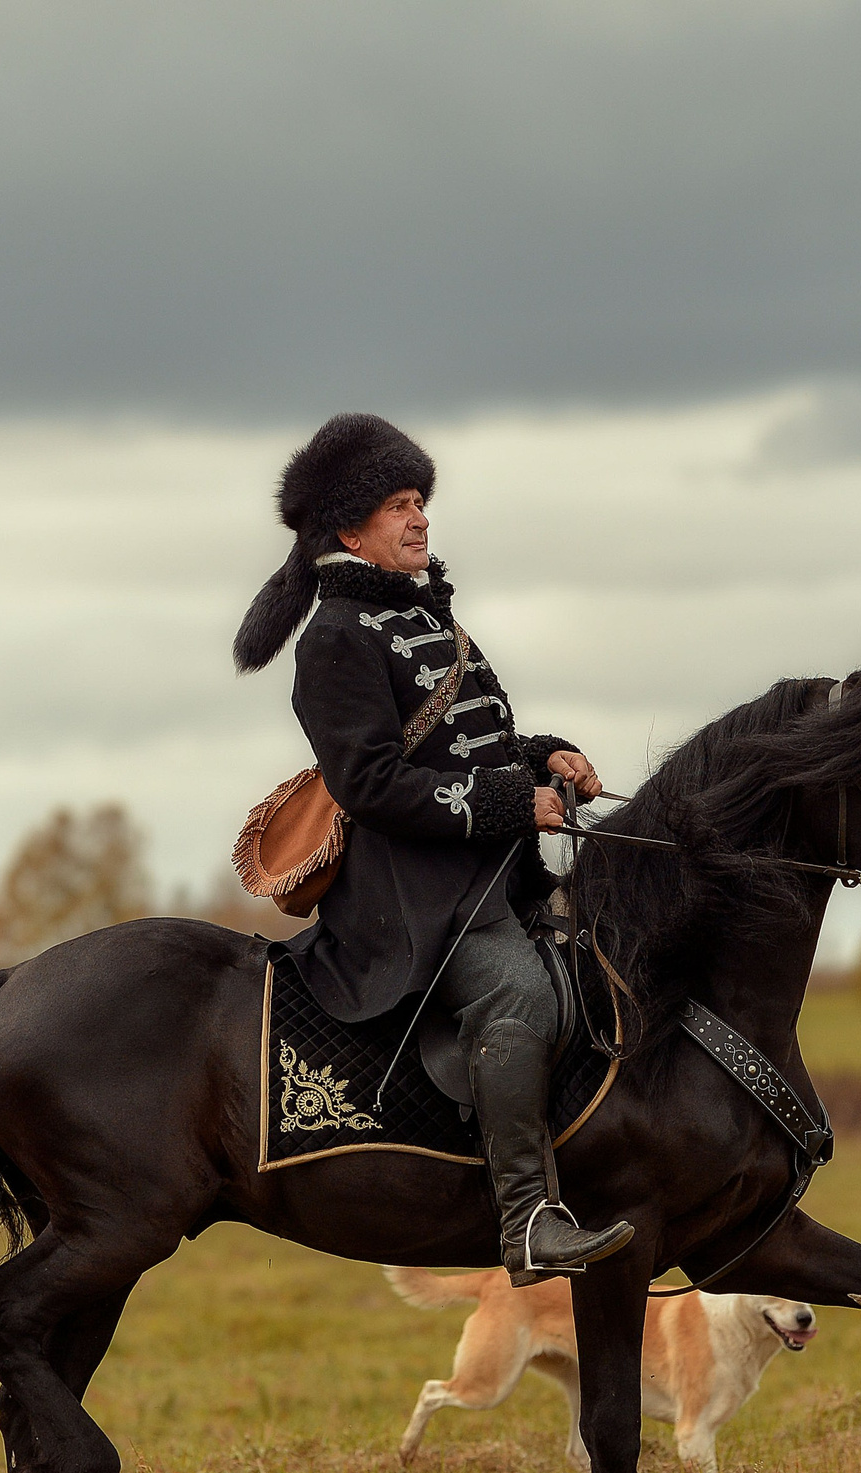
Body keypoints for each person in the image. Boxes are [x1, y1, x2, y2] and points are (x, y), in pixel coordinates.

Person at [235, 414, 635, 1283]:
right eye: (399, 505)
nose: (420, 518)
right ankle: (528, 1220)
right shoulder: (336, 637)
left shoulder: (425, 617)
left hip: (487, 873)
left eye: (420, 501)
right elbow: (372, 783)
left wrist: (544, 756)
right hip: (411, 899)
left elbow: (467, 749)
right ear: (351, 532)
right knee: (518, 990)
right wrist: (512, 801)